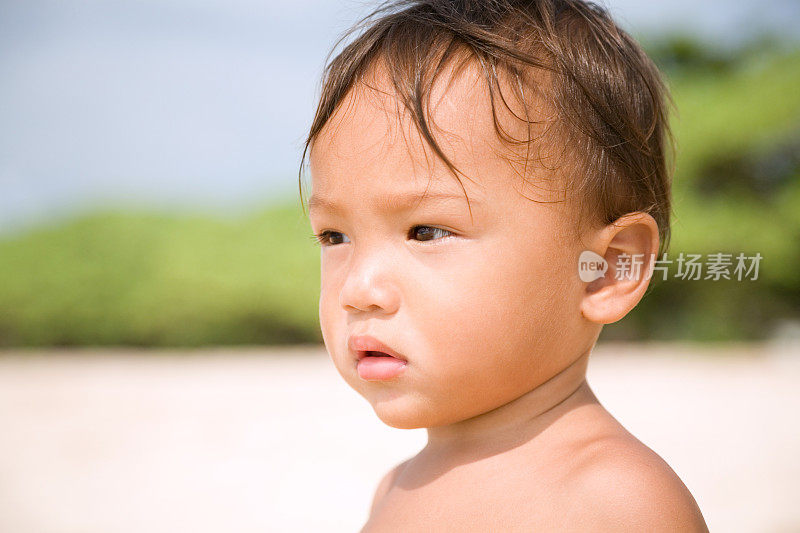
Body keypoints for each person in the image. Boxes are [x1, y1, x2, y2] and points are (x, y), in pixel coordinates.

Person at [298, 0, 708, 530]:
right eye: (335, 235)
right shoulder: (394, 490)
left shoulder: (617, 502)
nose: (359, 288)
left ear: (606, 268)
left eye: (426, 231)